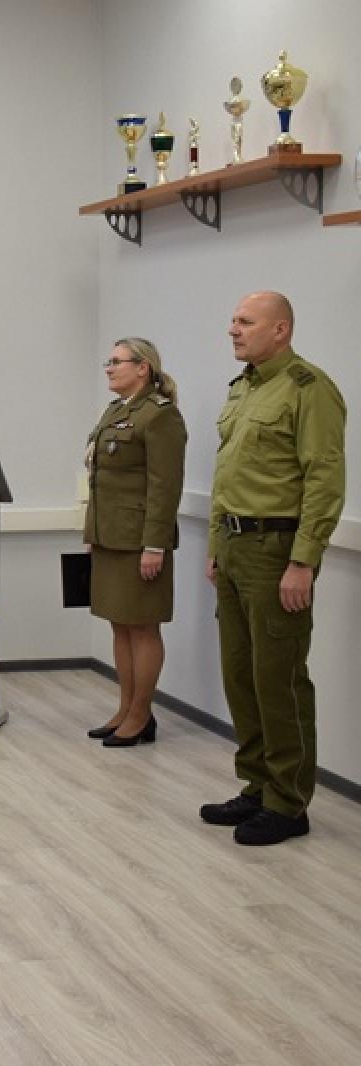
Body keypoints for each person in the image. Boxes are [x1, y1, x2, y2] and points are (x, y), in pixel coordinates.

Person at [202, 292, 345, 846]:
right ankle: (258, 785)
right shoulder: (244, 387)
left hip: (277, 551)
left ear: (280, 329)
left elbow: (324, 479)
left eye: (245, 321)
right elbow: (227, 475)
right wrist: (215, 544)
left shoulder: (310, 389)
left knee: (279, 680)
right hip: (235, 546)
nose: (233, 329)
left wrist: (303, 561)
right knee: (240, 676)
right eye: (233, 320)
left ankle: (288, 803)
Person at [82, 338, 186, 748]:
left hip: (140, 541)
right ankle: (126, 708)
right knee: (119, 625)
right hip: (110, 536)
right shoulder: (116, 411)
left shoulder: (160, 415)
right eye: (108, 361)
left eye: (117, 361)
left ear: (143, 368)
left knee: (143, 627)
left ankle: (141, 714)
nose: (109, 368)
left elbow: (165, 486)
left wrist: (155, 545)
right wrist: (92, 533)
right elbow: (100, 481)